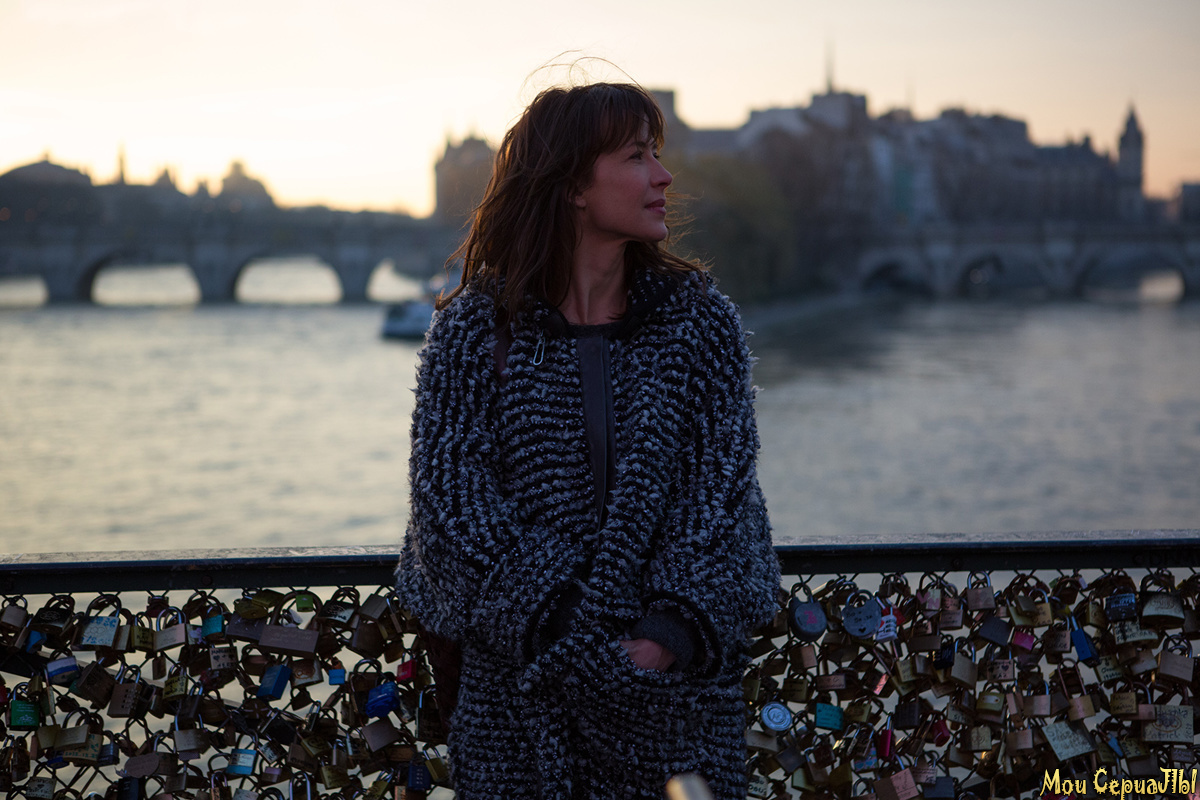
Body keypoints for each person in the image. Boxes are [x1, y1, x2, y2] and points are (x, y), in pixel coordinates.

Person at [395, 80, 780, 800]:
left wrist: (661, 641)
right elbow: (449, 514)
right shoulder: (473, 331)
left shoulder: (703, 327)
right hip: (521, 716)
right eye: (637, 157)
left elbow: (724, 504)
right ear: (573, 185)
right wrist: (573, 631)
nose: (664, 177)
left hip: (676, 709)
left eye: (656, 154)